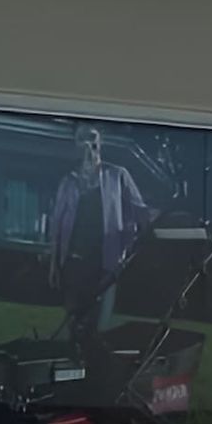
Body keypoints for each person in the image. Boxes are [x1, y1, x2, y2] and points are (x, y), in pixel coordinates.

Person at [46, 125, 153, 331]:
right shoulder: (68, 182)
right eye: (82, 139)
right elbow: (57, 226)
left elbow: (141, 213)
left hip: (107, 266)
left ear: (100, 141)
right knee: (74, 322)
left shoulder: (118, 176)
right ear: (75, 145)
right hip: (74, 265)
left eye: (92, 137)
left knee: (98, 326)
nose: (88, 143)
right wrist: (53, 264)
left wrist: (131, 247)